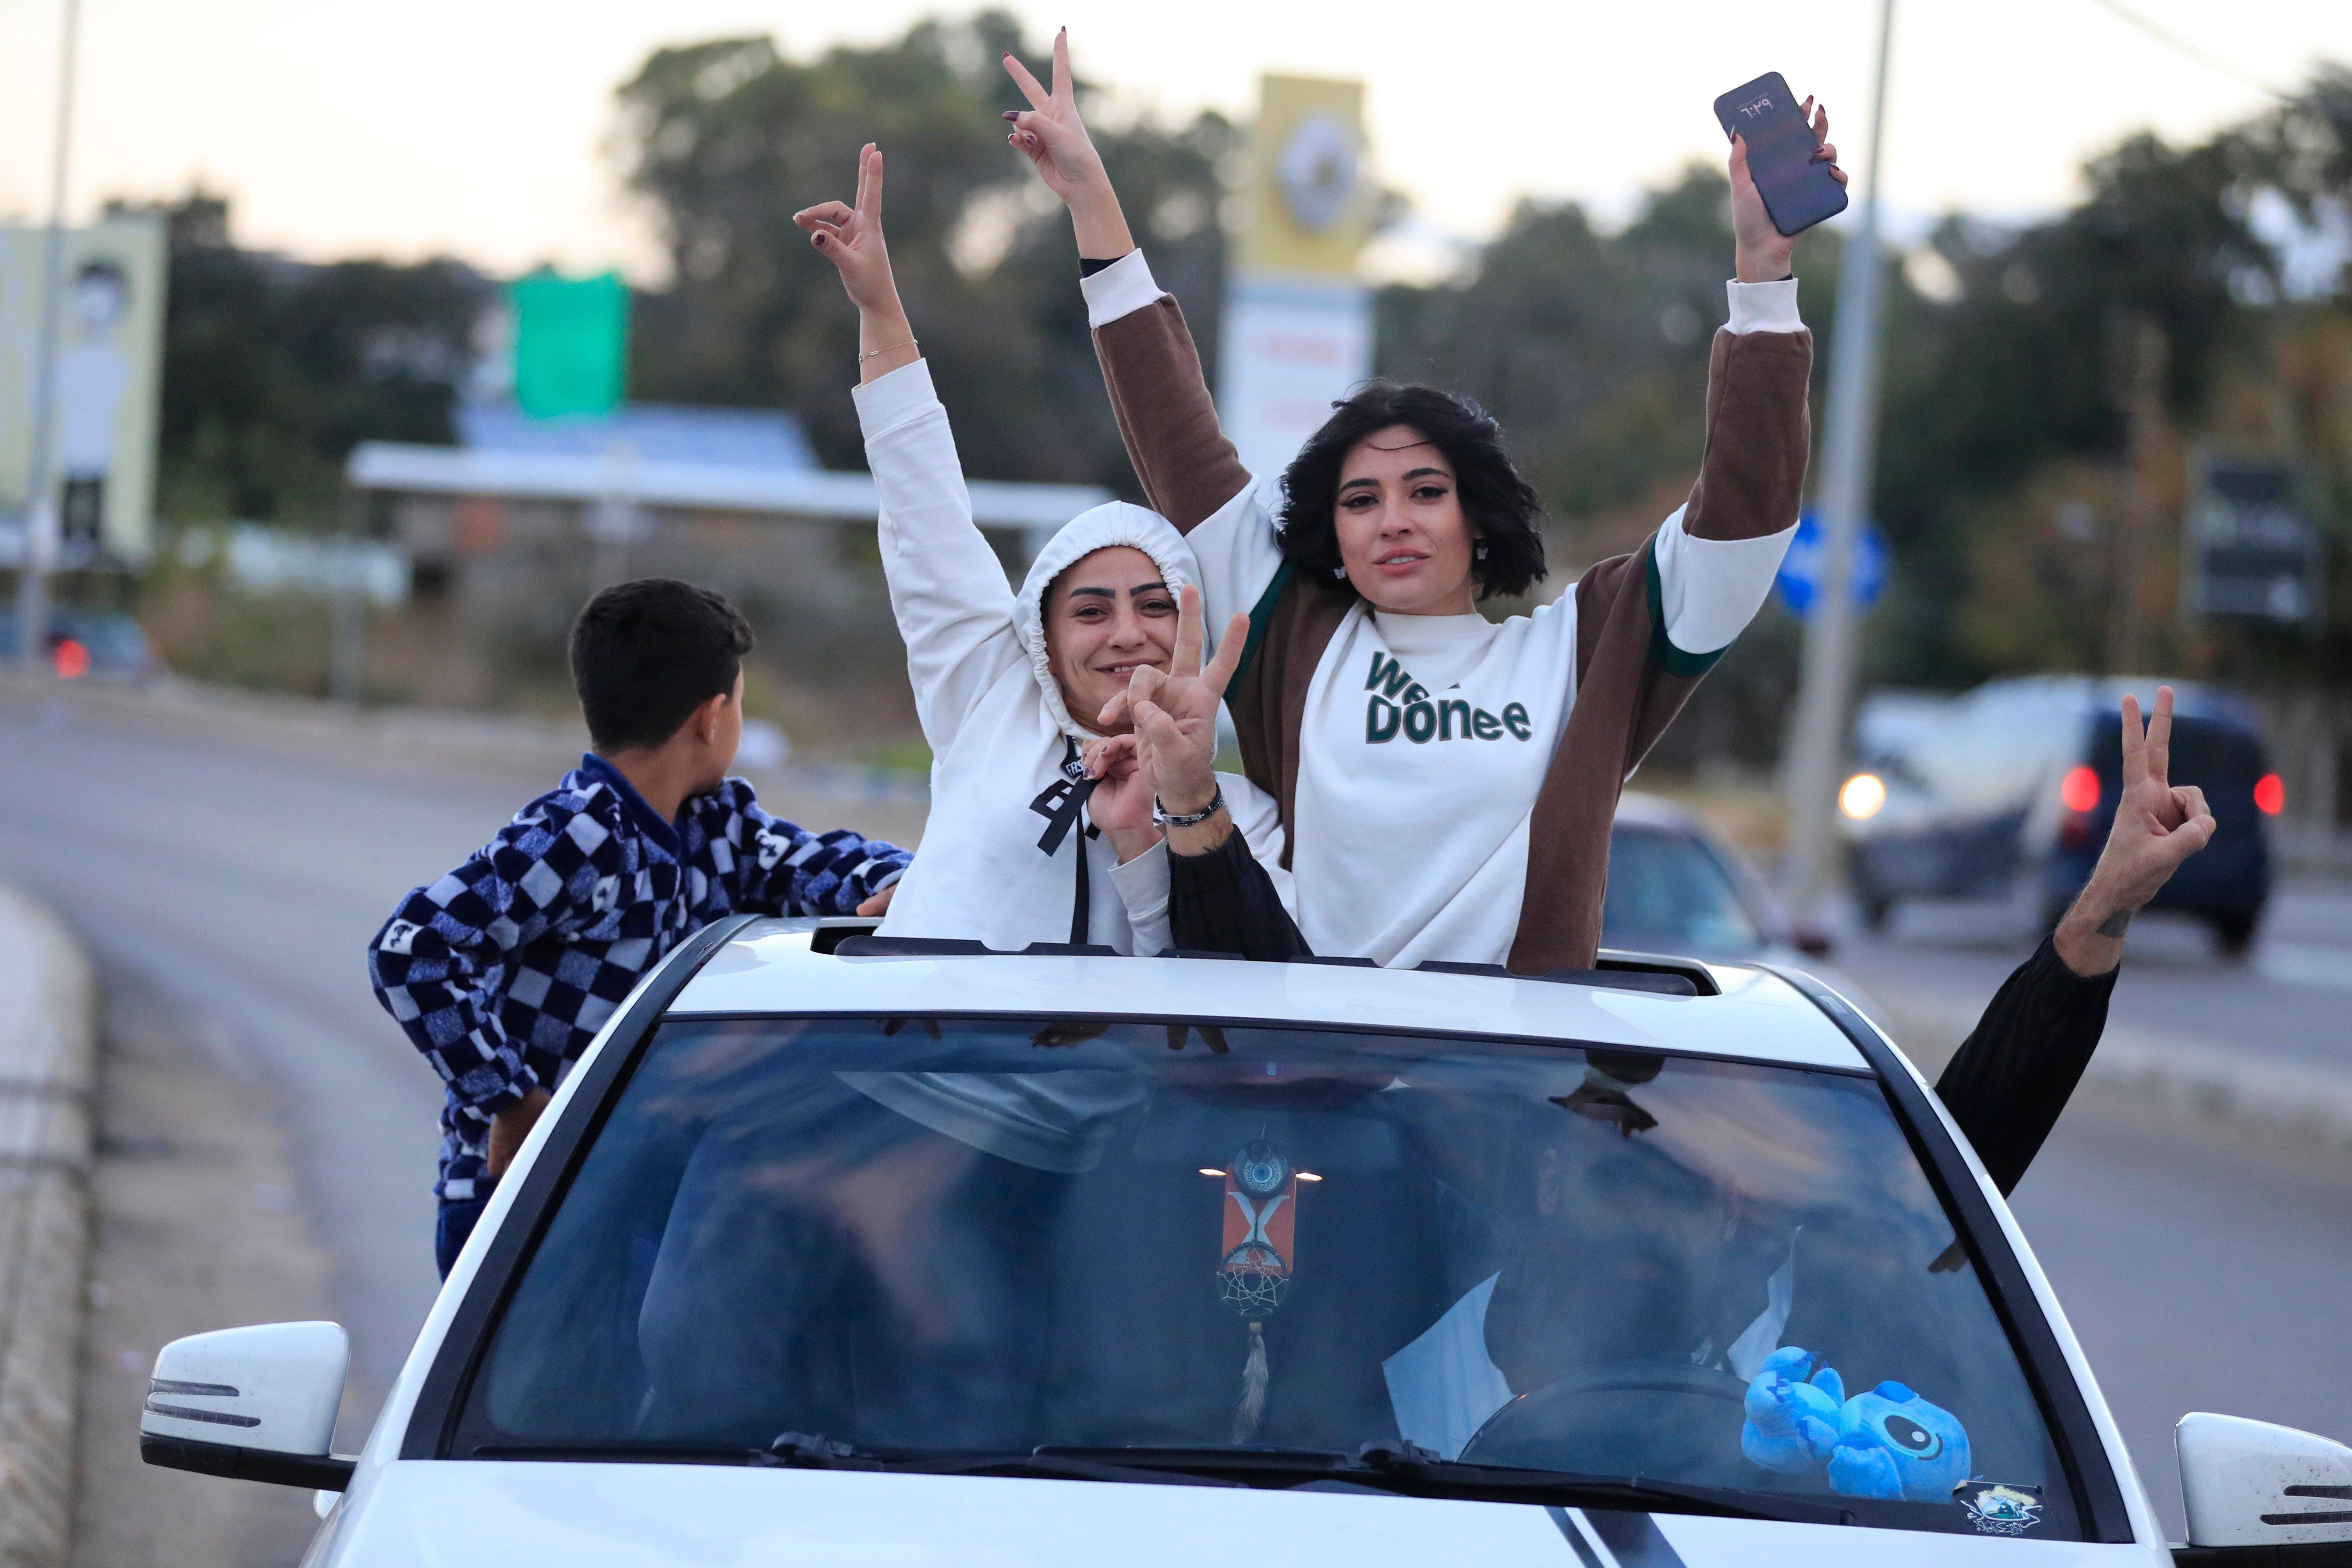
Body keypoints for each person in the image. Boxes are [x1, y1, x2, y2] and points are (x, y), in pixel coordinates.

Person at [1001, 32, 1839, 973]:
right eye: (1360, 499)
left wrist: (1763, 278)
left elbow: (1744, 515)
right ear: (1335, 532)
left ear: (1477, 516)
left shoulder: (1581, 651)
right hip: (1316, 1074)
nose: (1392, 518)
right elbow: (1179, 441)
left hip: (1499, 1089)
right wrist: (1092, 205)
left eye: (1425, 491)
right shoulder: (1291, 634)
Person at [790, 143, 1292, 954]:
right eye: (1091, 610)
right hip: (919, 1067)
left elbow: (1218, 1019)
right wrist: (879, 305)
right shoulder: (986, 698)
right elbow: (925, 510)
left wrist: (1154, 833)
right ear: (1042, 638)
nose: (1127, 633)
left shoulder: (1246, 819)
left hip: (1099, 1084)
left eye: (1156, 605)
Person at [367, 578, 912, 1277]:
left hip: (632, 1203)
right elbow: (413, 950)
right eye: (741, 705)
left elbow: (809, 862)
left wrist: (895, 882)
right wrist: (509, 1098)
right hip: (522, 1205)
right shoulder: (578, 834)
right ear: (712, 719)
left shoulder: (716, 824)